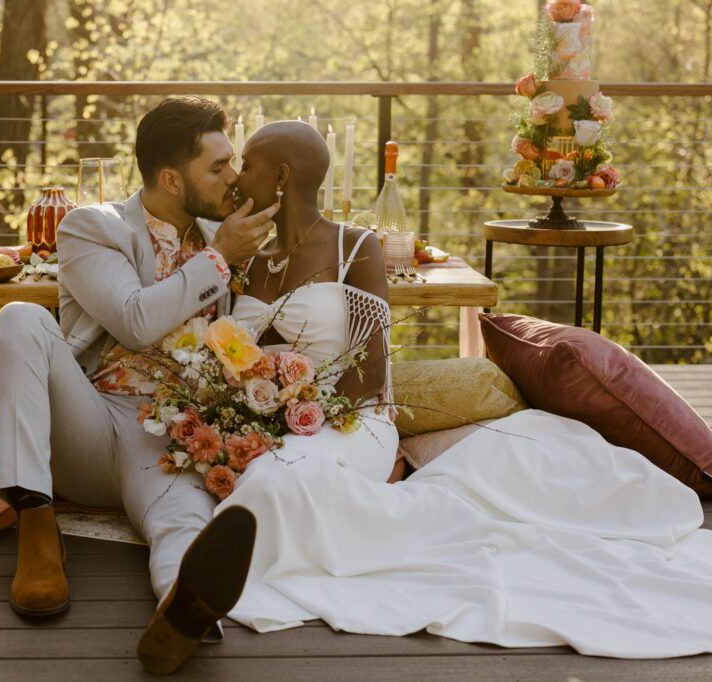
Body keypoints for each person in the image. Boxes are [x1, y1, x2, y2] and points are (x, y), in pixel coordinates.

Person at [215, 121, 712, 658]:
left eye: (247, 164)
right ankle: (234, 563)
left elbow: (369, 368)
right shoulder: (253, 261)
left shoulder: (354, 246)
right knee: (268, 471)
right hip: (280, 417)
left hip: (354, 417)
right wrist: (254, 415)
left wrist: (303, 417)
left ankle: (228, 577)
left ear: (283, 176)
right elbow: (242, 358)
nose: (239, 178)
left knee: (279, 476)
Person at [0, 97, 275, 674]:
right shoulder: (94, 228)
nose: (232, 176)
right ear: (169, 177)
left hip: (169, 438)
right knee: (19, 316)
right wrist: (219, 259)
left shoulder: (225, 235)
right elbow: (134, 318)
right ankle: (33, 517)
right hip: (88, 418)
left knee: (183, 528)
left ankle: (181, 610)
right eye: (217, 167)